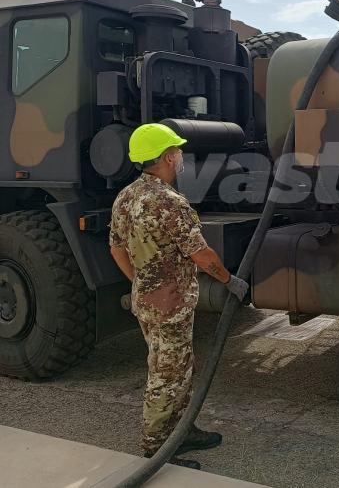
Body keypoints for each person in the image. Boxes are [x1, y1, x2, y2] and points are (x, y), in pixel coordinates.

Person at [109, 123, 250, 470]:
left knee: (176, 366)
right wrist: (230, 280)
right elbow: (201, 255)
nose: (182, 155)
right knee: (167, 374)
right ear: (168, 158)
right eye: (178, 151)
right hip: (170, 304)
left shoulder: (125, 197)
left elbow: (115, 247)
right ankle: (157, 448)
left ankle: (181, 430)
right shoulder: (170, 203)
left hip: (148, 299)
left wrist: (142, 281)